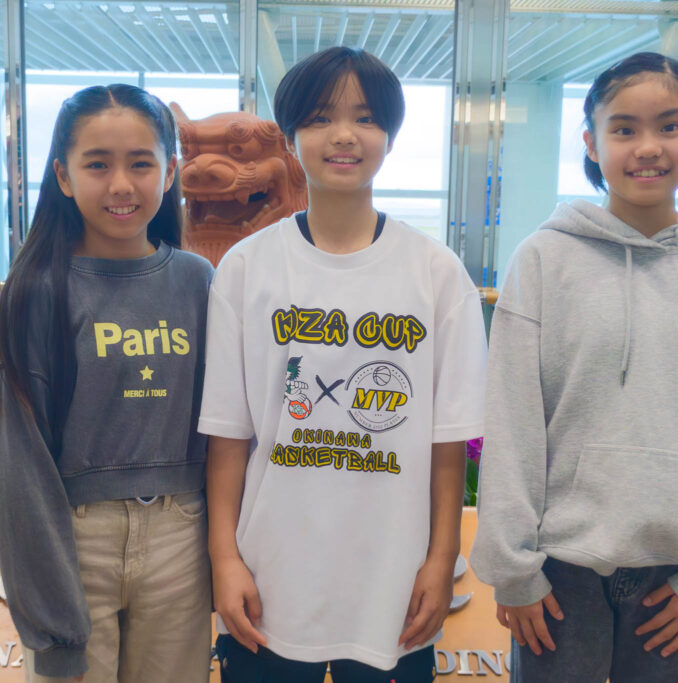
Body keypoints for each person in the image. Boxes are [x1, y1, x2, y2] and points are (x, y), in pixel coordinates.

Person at [470, 52, 678, 683]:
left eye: (670, 125)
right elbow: (512, 419)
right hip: (558, 573)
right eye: (624, 128)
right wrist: (514, 570)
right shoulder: (543, 260)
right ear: (591, 142)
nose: (648, 147)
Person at [199, 46, 487, 682]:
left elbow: (447, 448)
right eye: (320, 117)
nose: (344, 135)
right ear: (289, 136)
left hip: (392, 586)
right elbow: (228, 439)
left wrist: (442, 559)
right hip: (270, 580)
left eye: (366, 118)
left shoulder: (437, 275)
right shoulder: (246, 269)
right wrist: (225, 558)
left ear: (390, 136)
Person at [0, 83, 214, 683]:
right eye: (97, 165)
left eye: (140, 163)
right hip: (76, 541)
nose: (120, 185)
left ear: (169, 173)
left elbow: (228, 430)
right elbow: (18, 468)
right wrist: (52, 625)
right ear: (63, 176)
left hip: (181, 537)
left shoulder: (198, 282)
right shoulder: (35, 291)